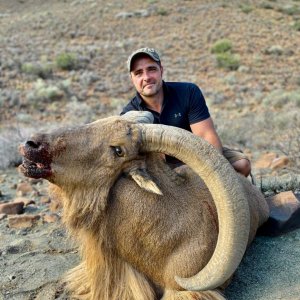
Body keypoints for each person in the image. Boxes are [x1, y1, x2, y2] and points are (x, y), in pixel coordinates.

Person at [121, 47, 251, 177]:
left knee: (241, 165)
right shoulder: (128, 116)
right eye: (138, 73)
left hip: (197, 155)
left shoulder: (188, 92)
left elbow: (207, 138)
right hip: (160, 169)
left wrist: (209, 171)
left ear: (161, 70)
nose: (146, 77)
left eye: (151, 69)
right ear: (132, 79)